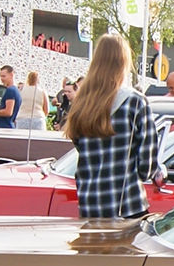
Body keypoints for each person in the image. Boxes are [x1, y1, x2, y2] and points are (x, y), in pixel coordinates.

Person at [64, 32, 162, 218]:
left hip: (90, 203)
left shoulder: (82, 103)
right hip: (127, 205)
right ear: (123, 63)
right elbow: (147, 167)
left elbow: (79, 146)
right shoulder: (135, 101)